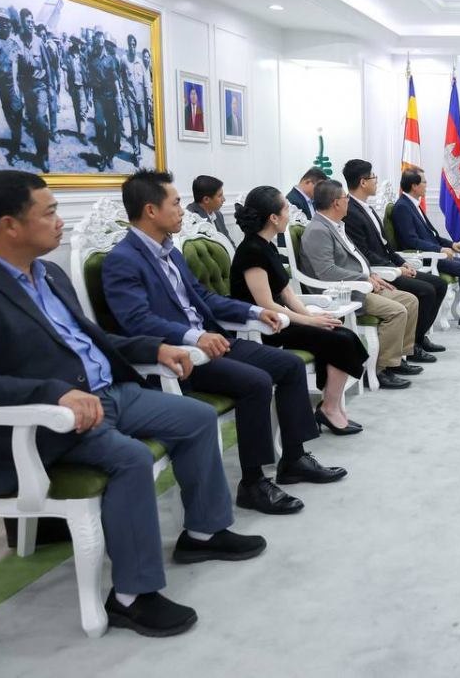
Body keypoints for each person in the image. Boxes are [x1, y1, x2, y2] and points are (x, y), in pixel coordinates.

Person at [0, 170, 265, 637]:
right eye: (49, 213)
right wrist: (52, 393)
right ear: (10, 225)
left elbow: (91, 339)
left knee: (197, 418)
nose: (60, 222)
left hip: (109, 392)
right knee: (130, 458)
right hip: (54, 420)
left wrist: (155, 348)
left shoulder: (50, 273)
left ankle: (203, 533)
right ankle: (132, 596)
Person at [102, 170, 345, 516]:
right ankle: (253, 483)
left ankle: (293, 459)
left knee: (290, 365)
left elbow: (203, 297)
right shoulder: (122, 261)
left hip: (212, 341)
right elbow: (137, 321)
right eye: (175, 203)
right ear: (151, 210)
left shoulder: (170, 252)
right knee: (256, 383)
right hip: (180, 357)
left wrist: (255, 311)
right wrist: (196, 337)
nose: (182, 210)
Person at [231, 186, 369, 434]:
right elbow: (266, 304)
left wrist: (311, 315)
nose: (290, 213)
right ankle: (329, 409)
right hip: (266, 326)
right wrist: (309, 322)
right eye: (286, 209)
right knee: (340, 341)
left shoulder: (267, 246)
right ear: (273, 218)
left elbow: (287, 293)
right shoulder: (251, 251)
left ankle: (330, 405)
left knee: (344, 334)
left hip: (283, 318)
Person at [299, 179, 423, 389]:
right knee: (397, 311)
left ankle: (397, 359)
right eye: (346, 198)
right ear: (336, 203)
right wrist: (363, 279)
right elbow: (326, 272)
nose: (348, 201)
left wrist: (371, 274)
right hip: (341, 293)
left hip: (360, 284)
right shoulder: (318, 230)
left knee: (410, 300)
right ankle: (380, 369)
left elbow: (354, 259)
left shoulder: (336, 225)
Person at [342, 159, 446, 356]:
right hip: (381, 271)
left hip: (391, 265)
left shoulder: (367, 207)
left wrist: (402, 262)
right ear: (363, 182)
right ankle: (412, 346)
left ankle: (418, 338)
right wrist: (396, 269)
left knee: (439, 285)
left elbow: (386, 245)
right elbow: (364, 253)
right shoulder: (351, 212)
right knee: (426, 291)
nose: (376, 181)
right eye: (373, 177)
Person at [392, 168, 460, 328]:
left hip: (433, 252)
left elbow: (433, 235)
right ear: (414, 186)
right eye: (424, 182)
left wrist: (450, 244)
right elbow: (411, 241)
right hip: (423, 257)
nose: (426, 185)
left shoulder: (413, 204)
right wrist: (439, 250)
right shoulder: (402, 207)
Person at [15, 8, 53, 172]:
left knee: (40, 119)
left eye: (32, 21)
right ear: (22, 23)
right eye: (27, 22)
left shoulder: (39, 42)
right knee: (35, 123)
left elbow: (47, 65)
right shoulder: (17, 42)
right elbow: (15, 67)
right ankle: (40, 152)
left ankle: (44, 156)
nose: (31, 24)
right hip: (27, 89)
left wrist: (51, 87)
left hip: (40, 87)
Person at [0, 8, 24, 164]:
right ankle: (15, 137)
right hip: (2, 85)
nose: (4, 23)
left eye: (6, 21)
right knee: (7, 113)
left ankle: (15, 151)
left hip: (14, 85)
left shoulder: (15, 42)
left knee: (16, 114)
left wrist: (18, 86)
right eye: (1, 20)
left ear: (11, 24)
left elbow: (20, 64)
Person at [86, 30, 122, 170]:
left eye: (102, 38)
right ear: (95, 41)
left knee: (111, 127)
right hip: (98, 97)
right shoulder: (92, 58)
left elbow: (115, 79)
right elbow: (90, 78)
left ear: (104, 42)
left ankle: (110, 156)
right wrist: (88, 96)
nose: (100, 41)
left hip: (110, 96)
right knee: (99, 125)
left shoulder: (111, 59)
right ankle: (102, 156)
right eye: (98, 39)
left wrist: (118, 97)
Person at [120, 34, 149, 152]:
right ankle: (137, 152)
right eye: (130, 45)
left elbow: (146, 82)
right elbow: (121, 77)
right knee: (135, 126)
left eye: (134, 45)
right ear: (128, 45)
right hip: (131, 99)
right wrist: (123, 93)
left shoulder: (140, 62)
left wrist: (148, 99)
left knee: (143, 127)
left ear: (135, 46)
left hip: (141, 100)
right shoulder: (124, 60)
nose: (132, 47)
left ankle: (139, 142)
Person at [186, 174, 232, 241]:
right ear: (206, 199)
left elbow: (228, 241)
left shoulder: (218, 214)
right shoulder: (190, 218)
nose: (224, 199)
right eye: (220, 196)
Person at [64, 35, 88, 138]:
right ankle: (79, 129)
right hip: (73, 85)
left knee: (82, 108)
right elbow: (65, 69)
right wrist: (65, 82)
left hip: (82, 85)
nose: (78, 45)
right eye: (76, 42)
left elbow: (86, 70)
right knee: (76, 108)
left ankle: (82, 132)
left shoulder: (82, 56)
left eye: (79, 43)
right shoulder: (68, 55)